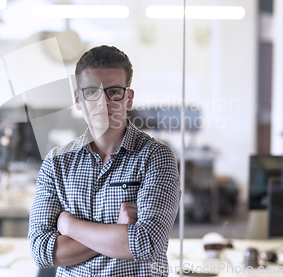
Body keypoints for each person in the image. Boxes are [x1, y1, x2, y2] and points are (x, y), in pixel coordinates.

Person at [28, 45, 181, 276]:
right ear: (78, 100)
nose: (103, 102)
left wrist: (71, 227)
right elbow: (41, 252)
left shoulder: (156, 157)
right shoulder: (57, 162)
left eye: (114, 92)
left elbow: (146, 244)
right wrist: (117, 232)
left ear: (128, 98)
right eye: (91, 92)